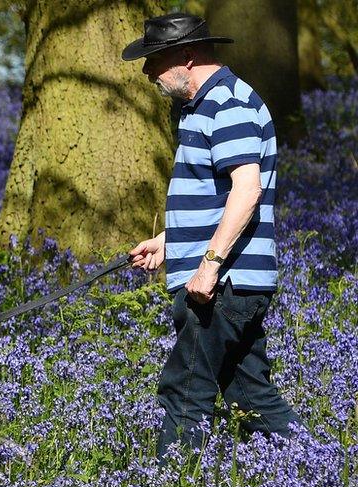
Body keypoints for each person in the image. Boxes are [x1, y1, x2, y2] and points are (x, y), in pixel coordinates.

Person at [121, 13, 300, 458]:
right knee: (252, 397)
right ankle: (318, 468)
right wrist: (168, 242)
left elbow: (246, 190)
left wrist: (209, 266)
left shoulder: (227, 105)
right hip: (230, 281)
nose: (148, 73)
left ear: (186, 55)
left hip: (221, 284)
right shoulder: (201, 107)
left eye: (154, 61)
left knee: (185, 392)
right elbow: (214, 194)